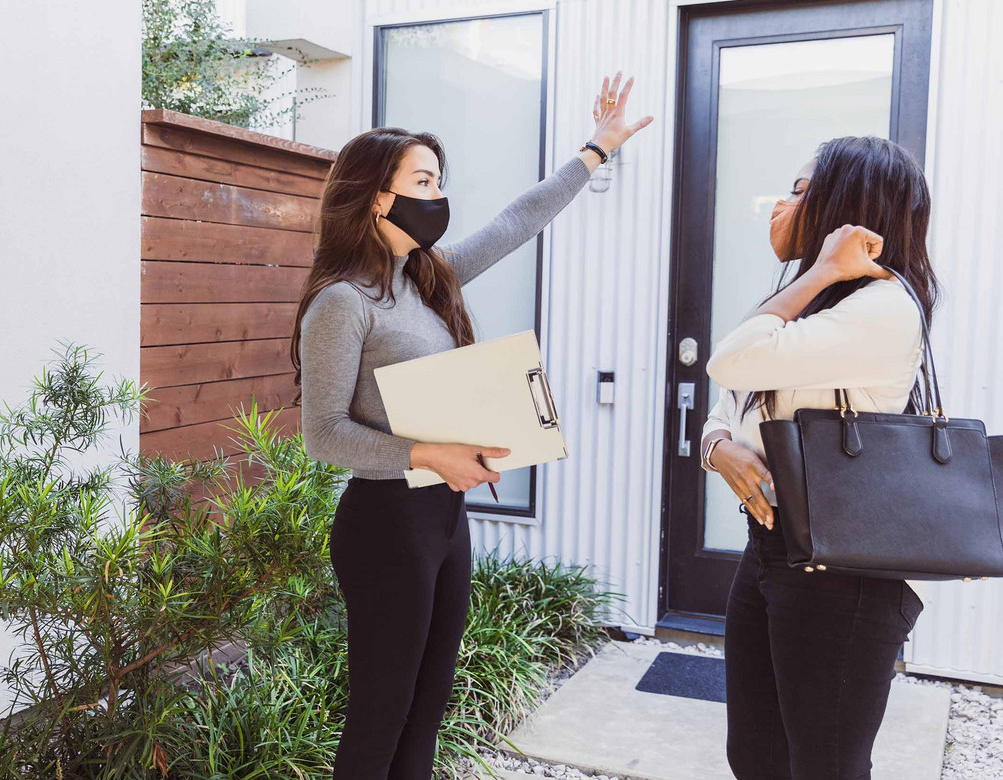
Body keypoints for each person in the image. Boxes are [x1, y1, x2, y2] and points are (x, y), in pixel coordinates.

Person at [290, 74, 653, 779]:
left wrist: (597, 149)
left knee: (426, 707)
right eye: (423, 181)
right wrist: (431, 451)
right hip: (385, 522)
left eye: (438, 180)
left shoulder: (428, 279)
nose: (437, 197)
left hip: (442, 517)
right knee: (381, 713)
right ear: (375, 196)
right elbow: (323, 433)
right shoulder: (341, 302)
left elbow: (517, 221)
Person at [699, 135, 939, 779]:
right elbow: (738, 396)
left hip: (841, 570)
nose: (783, 204)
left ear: (845, 207)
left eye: (801, 191)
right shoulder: (822, 305)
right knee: (756, 754)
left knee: (825, 764)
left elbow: (733, 357)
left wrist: (824, 270)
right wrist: (716, 445)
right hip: (773, 548)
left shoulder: (882, 307)